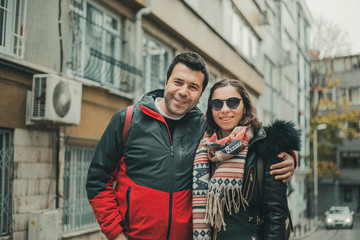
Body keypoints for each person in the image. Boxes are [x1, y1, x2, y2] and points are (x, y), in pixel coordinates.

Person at [86, 52, 296, 240]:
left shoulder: (205, 127)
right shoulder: (127, 120)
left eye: (193, 87)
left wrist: (287, 156)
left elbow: (244, 138)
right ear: (167, 80)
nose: (183, 91)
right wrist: (115, 233)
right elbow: (98, 181)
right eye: (178, 82)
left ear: (200, 94)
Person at [192, 79, 301, 240]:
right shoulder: (203, 148)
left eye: (233, 102)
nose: (224, 109)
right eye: (217, 104)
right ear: (210, 109)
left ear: (245, 108)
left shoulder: (266, 147)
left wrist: (291, 157)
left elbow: (275, 217)